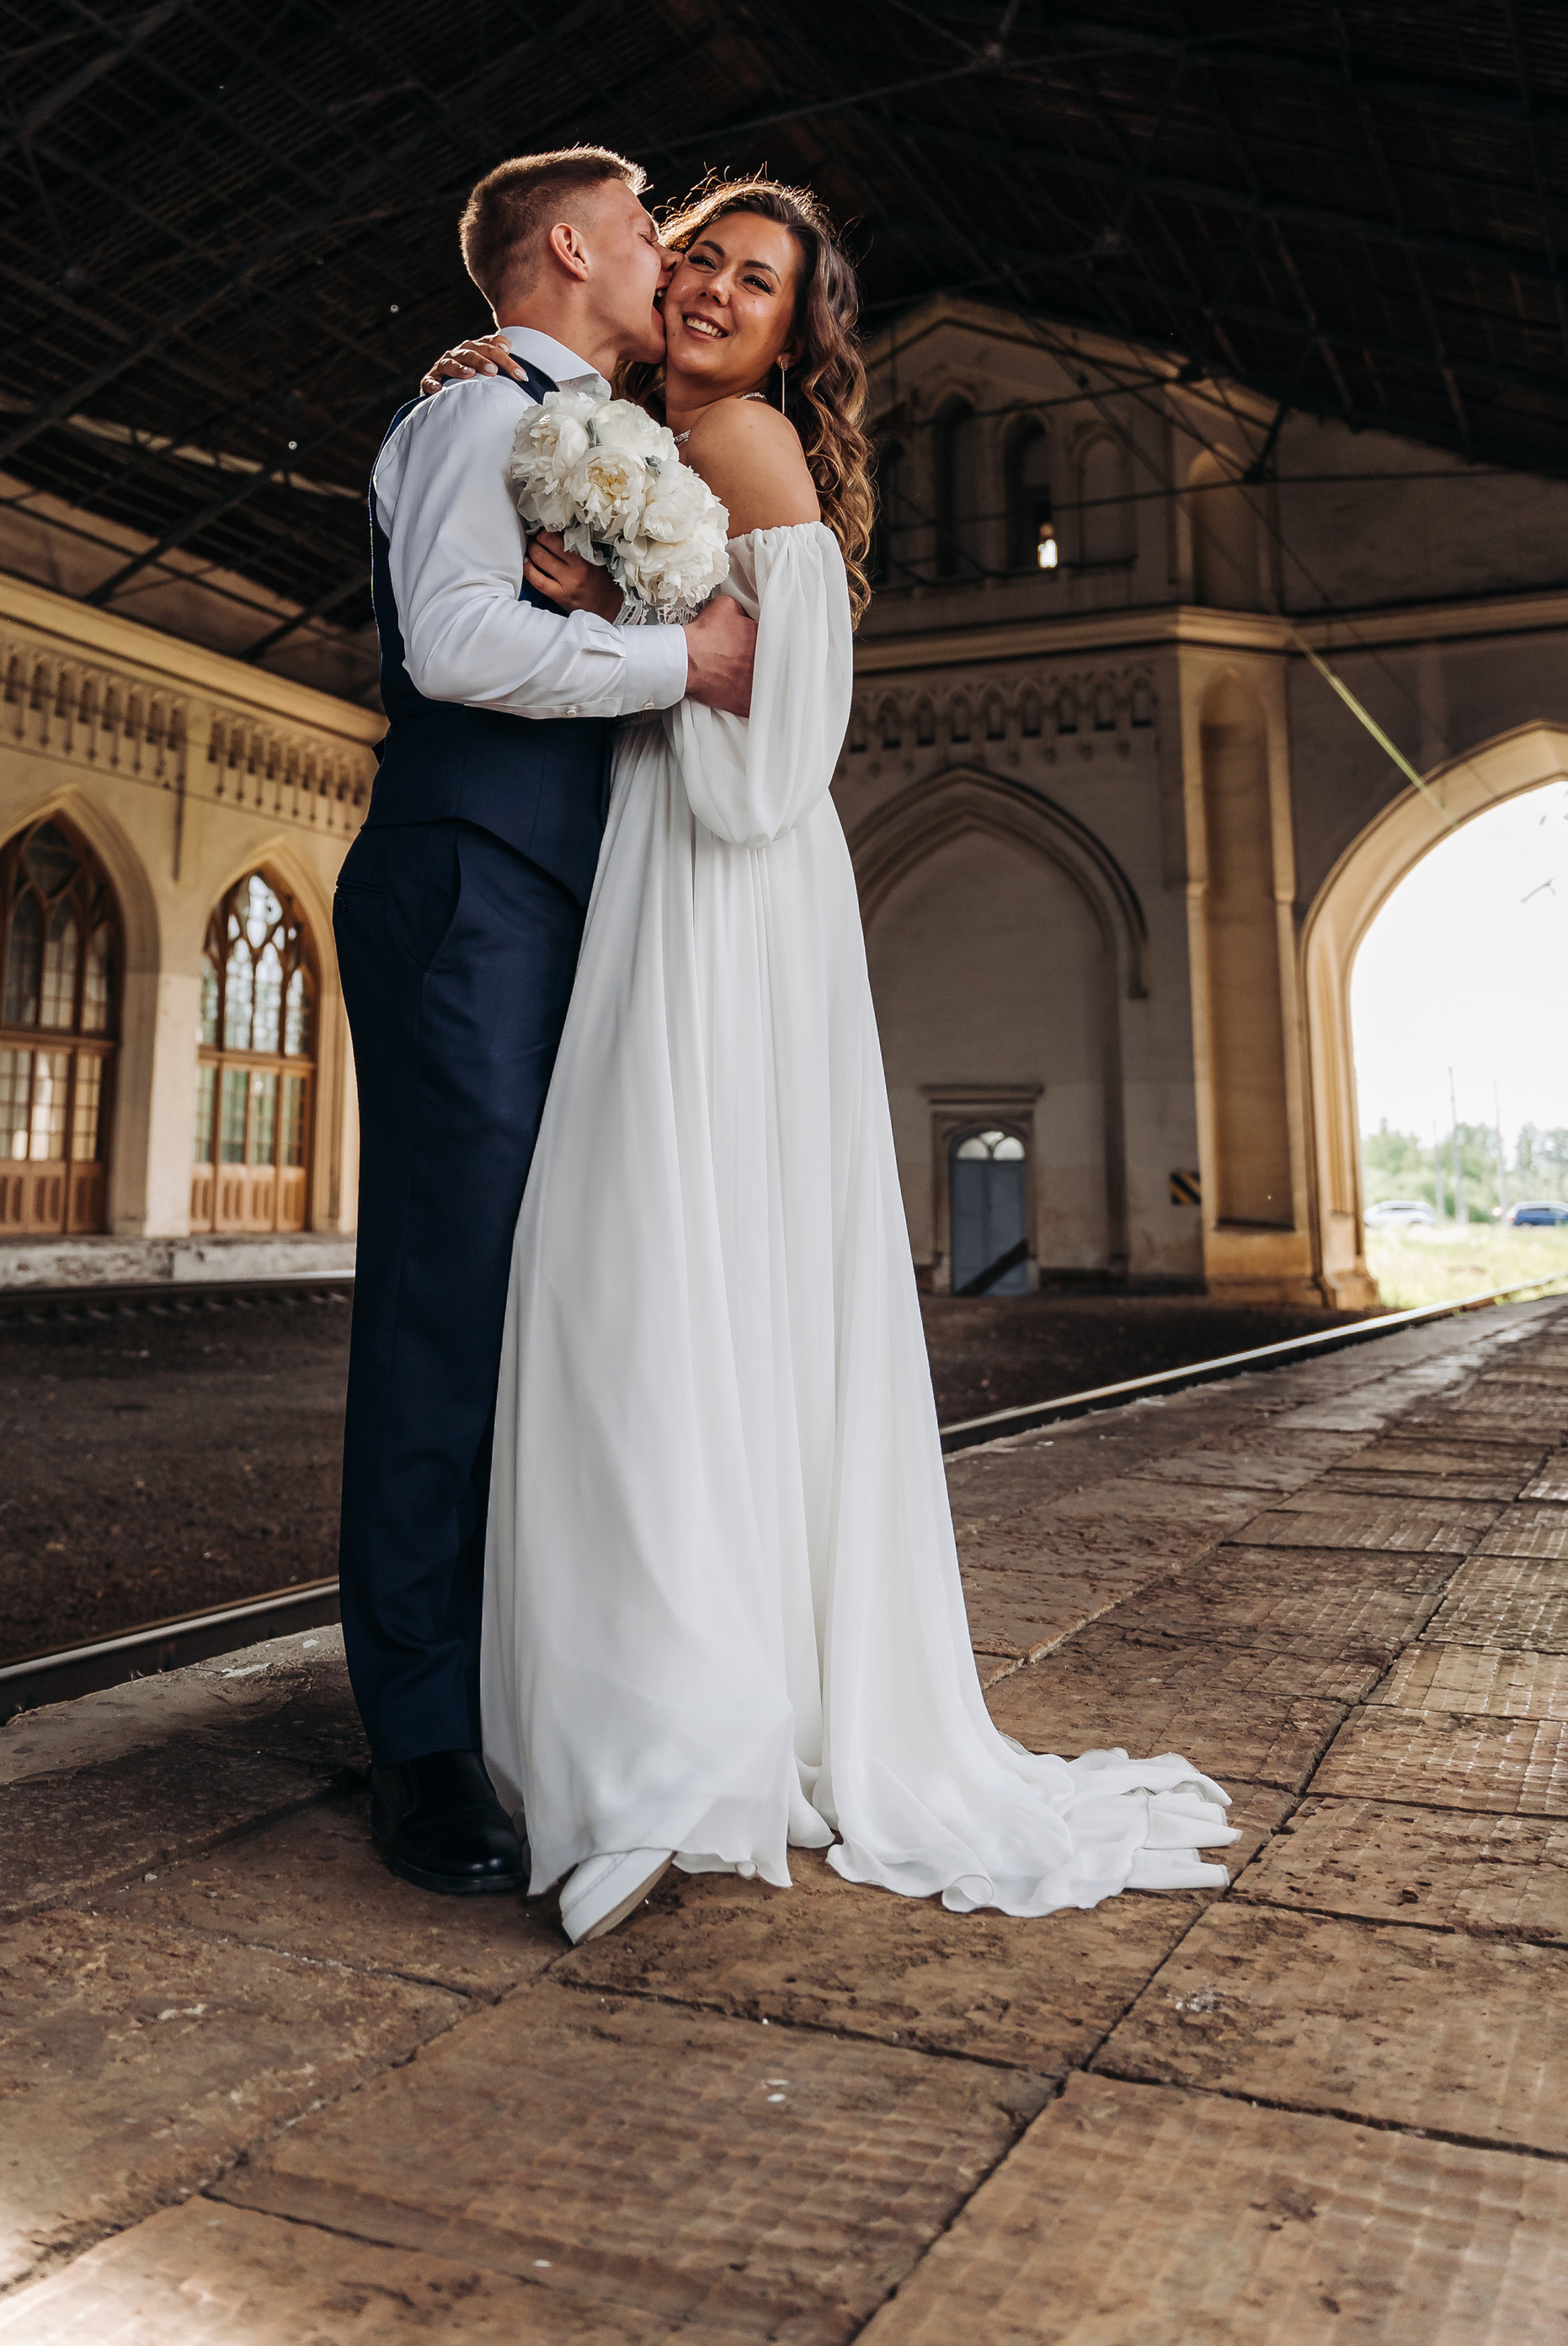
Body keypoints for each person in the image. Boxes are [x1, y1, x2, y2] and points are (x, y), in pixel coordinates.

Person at [424, 177, 1236, 1943]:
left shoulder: (750, 454)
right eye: (696, 256)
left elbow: (772, 751)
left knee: (654, 1269)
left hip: (721, 892)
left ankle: (683, 1717)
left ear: (800, 328)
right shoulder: (629, 425)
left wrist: (631, 644)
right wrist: (584, 579)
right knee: (628, 1276)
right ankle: (634, 1691)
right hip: (648, 871)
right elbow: (591, 617)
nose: (711, 285)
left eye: (754, 277)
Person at [335, 144, 758, 1901]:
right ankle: (420, 1740)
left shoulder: (589, 415)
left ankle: (523, 1679)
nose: (672, 258)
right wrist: (681, 665)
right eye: (653, 230)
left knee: (562, 1299)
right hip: (471, 891)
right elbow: (448, 643)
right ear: (569, 247)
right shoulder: (473, 418)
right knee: (455, 1304)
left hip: (583, 892)